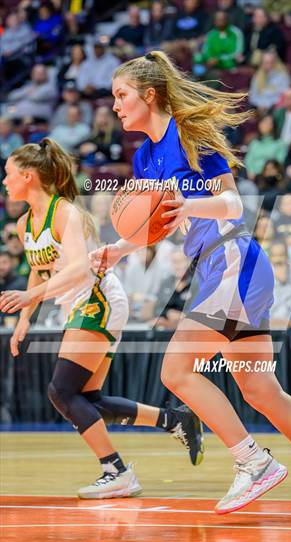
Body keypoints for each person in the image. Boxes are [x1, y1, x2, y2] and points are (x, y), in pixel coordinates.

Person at [91, 50, 291, 519]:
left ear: (150, 95)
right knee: (260, 389)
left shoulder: (190, 134)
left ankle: (253, 461)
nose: (116, 105)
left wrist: (189, 205)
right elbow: (155, 226)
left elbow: (233, 204)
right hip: (216, 267)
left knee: (176, 371)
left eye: (122, 95)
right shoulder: (144, 157)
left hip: (233, 259)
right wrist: (118, 250)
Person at [0, 138, 204, 499]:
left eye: (9, 173)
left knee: (61, 391)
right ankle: (174, 419)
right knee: (87, 400)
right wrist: (25, 320)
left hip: (98, 298)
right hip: (79, 305)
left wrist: (31, 297)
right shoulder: (23, 224)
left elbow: (79, 269)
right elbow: (39, 270)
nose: (5, 180)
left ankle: (117, 471)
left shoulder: (65, 212)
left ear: (28, 176)